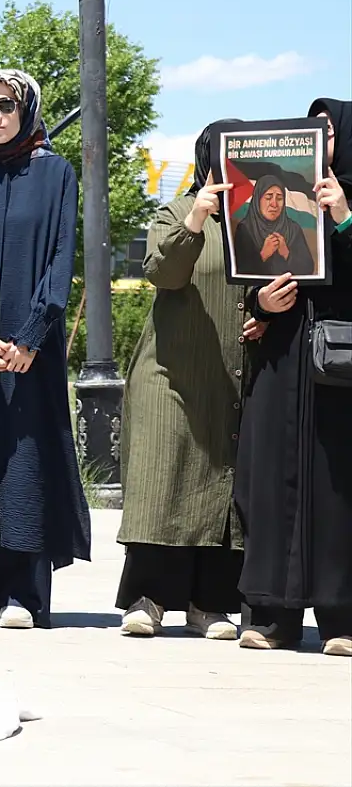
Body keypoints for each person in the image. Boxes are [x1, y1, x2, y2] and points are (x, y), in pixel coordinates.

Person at [0, 69, 90, 630]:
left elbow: (60, 257)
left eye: (6, 104)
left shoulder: (56, 175)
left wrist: (31, 336)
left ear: (26, 110)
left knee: (25, 462)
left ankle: (22, 594)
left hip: (33, 350)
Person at [115, 120, 263, 640]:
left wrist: (265, 312)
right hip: (170, 376)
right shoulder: (175, 211)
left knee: (219, 487)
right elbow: (164, 273)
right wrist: (197, 218)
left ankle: (209, 605)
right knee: (161, 482)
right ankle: (145, 599)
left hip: (231, 379)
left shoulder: (260, 219)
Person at [235, 97, 352, 657]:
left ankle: (341, 618)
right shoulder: (282, 200)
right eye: (313, 128)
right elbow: (249, 278)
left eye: (330, 128)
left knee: (336, 489)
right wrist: (260, 302)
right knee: (270, 481)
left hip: (338, 368)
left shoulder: (343, 197)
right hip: (280, 360)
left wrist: (345, 217)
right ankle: (271, 616)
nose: (321, 136)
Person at [231, 174, 317, 277]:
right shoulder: (245, 228)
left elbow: (308, 269)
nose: (274, 204)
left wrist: (286, 254)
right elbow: (240, 270)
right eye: (268, 197)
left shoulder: (293, 229)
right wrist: (263, 254)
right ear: (258, 199)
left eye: (279, 198)